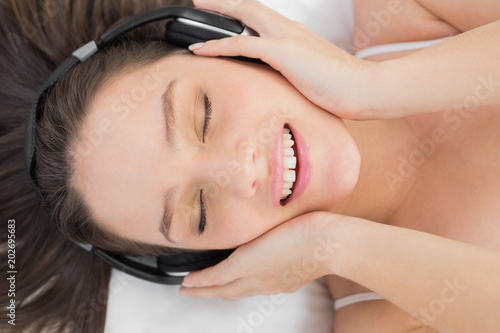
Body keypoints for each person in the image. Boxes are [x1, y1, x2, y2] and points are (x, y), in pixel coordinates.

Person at [0, 1, 498, 333]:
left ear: (228, 41)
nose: (238, 171)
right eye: (197, 211)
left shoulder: (410, 8)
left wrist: (373, 87)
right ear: (206, 259)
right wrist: (335, 245)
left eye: (204, 116)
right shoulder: (386, 316)